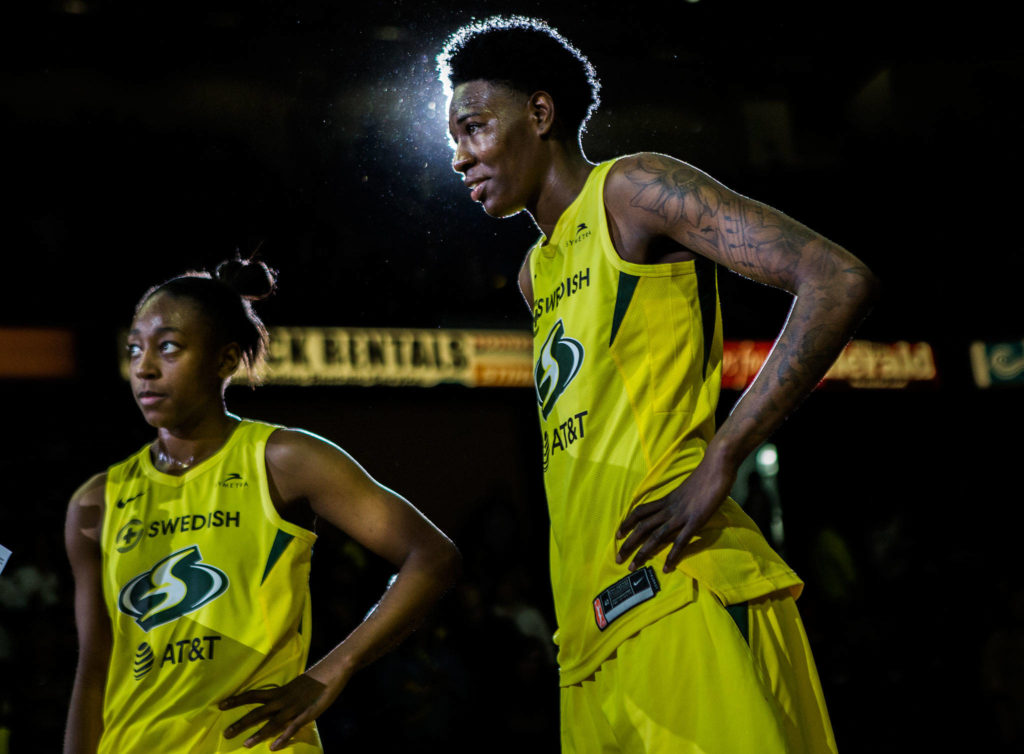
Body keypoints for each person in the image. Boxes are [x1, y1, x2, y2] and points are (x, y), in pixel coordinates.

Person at [439, 16, 878, 753]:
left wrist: (724, 455)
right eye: (455, 138)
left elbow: (836, 278)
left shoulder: (632, 189)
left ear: (540, 113)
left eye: (475, 127)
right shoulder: (532, 273)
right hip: (585, 643)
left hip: (679, 593)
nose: (459, 157)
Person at [63, 258, 461, 753]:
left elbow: (432, 556)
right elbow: (94, 668)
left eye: (168, 347)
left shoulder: (285, 459)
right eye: (135, 349)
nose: (143, 367)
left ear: (226, 361)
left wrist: (331, 671)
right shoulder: (96, 503)